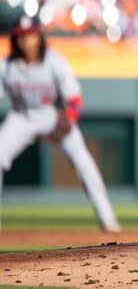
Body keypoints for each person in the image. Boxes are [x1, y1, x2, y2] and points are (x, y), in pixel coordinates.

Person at [0, 15, 120, 232]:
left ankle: (108, 219)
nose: (27, 42)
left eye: (31, 36)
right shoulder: (6, 66)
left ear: (39, 37)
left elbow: (74, 100)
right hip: (21, 116)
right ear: (15, 40)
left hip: (53, 116)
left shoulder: (54, 62)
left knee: (83, 161)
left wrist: (68, 122)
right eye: (22, 37)